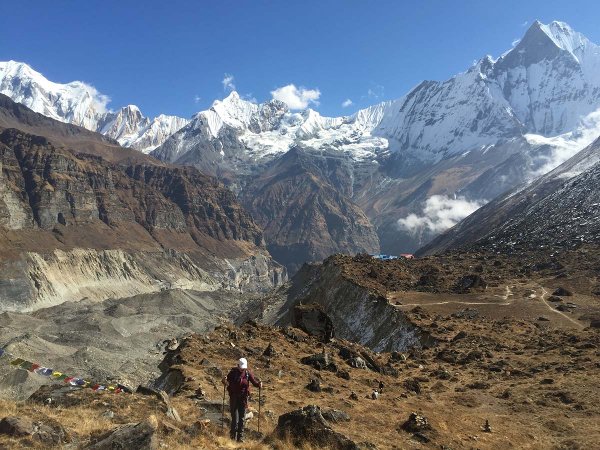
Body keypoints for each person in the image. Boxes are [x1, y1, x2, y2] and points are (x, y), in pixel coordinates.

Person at [222, 357, 262, 442]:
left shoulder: (247, 373)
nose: (242, 369)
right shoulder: (232, 373)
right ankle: (232, 438)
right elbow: (226, 382)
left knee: (242, 418)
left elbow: (254, 383)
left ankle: (240, 438)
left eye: (244, 367)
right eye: (241, 367)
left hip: (243, 399)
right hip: (234, 398)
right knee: (235, 419)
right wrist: (224, 380)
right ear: (238, 366)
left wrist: (259, 384)